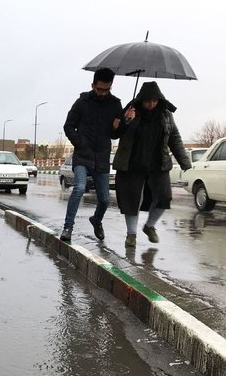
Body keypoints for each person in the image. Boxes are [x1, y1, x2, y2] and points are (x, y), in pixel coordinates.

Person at [113, 81, 191, 248]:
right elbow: (114, 133)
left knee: (164, 197)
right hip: (132, 163)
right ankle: (131, 235)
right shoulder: (130, 111)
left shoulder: (166, 114)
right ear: (141, 99)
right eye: (148, 101)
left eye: (155, 100)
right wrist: (126, 120)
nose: (151, 104)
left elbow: (174, 138)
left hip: (158, 163)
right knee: (132, 200)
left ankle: (149, 226)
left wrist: (184, 161)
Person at [60, 68, 124, 241]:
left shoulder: (116, 105)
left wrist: (121, 125)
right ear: (93, 85)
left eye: (107, 89)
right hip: (83, 155)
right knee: (79, 187)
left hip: (102, 157)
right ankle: (68, 227)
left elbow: (115, 135)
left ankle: (96, 220)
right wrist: (79, 142)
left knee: (104, 199)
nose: (103, 93)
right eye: (100, 89)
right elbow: (68, 126)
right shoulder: (82, 102)